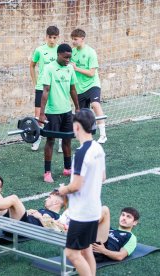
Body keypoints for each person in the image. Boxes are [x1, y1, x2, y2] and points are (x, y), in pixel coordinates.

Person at [58, 108, 106, 276]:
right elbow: (102, 177)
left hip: (81, 213)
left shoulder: (81, 152)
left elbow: (76, 185)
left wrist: (63, 189)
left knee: (71, 253)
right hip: (94, 210)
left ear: (77, 127)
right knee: (86, 250)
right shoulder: (98, 148)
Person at [40, 43, 80, 183]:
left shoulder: (69, 68)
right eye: (66, 57)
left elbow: (73, 89)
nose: (68, 60)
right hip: (52, 112)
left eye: (70, 57)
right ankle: (47, 172)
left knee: (67, 139)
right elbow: (45, 91)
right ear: (59, 54)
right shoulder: (49, 68)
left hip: (67, 111)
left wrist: (78, 108)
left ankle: (67, 168)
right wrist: (41, 113)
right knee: (50, 140)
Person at [0, 186, 67, 231]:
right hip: (20, 219)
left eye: (49, 197)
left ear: (56, 202)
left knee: (14, 198)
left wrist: (39, 216)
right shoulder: (45, 211)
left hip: (24, 226)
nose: (46, 199)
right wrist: (29, 212)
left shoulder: (56, 216)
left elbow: (55, 230)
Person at [70, 28, 107, 144]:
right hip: (79, 88)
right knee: (82, 114)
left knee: (95, 105)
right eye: (72, 39)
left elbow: (91, 73)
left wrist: (76, 68)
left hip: (92, 85)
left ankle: (103, 135)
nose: (73, 42)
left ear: (82, 39)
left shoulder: (91, 52)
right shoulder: (72, 52)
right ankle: (86, 139)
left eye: (75, 39)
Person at [29, 26, 60, 151]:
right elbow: (32, 66)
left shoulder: (60, 50)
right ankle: (36, 139)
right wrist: (35, 82)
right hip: (41, 86)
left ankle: (61, 142)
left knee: (58, 114)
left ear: (58, 37)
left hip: (55, 87)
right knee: (38, 114)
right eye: (50, 37)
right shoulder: (39, 50)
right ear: (46, 37)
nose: (52, 40)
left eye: (54, 38)